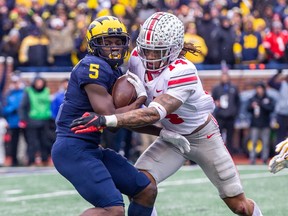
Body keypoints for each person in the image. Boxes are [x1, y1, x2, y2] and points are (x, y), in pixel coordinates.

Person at [71, 12, 263, 216]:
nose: (151, 57)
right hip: (171, 137)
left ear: (174, 48)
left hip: (202, 137)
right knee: (141, 187)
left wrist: (107, 119)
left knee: (239, 205)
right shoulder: (137, 57)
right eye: (147, 50)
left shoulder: (182, 71)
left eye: (158, 51)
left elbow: (154, 113)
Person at [51, 15, 184, 216]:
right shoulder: (92, 67)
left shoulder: (113, 72)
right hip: (73, 148)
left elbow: (120, 121)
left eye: (118, 42)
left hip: (91, 147)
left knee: (146, 190)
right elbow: (110, 116)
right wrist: (139, 100)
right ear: (94, 45)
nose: (114, 47)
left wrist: (163, 132)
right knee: (113, 210)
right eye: (107, 42)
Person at [211, 71, 240, 155]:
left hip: (230, 117)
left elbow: (238, 101)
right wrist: (216, 103)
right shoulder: (216, 88)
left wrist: (235, 112)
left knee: (230, 137)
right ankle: (219, 153)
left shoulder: (233, 87)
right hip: (220, 116)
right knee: (218, 137)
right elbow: (212, 100)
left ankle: (229, 154)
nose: (224, 78)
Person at [247, 82, 275, 165]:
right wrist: (252, 106)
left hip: (265, 124)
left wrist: (261, 104)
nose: (259, 90)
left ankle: (265, 159)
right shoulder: (252, 98)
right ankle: (252, 158)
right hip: (255, 124)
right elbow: (247, 109)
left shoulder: (268, 98)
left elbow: (271, 109)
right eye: (258, 88)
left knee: (265, 142)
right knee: (254, 142)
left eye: (261, 88)